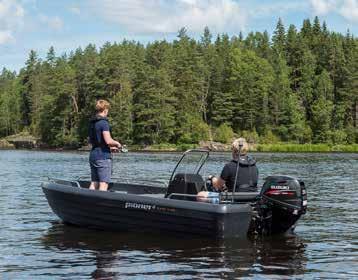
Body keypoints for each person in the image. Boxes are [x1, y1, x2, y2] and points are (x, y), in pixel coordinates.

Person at [88, 99, 121, 191]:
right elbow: (108, 141)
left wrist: (111, 148)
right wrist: (117, 144)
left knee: (94, 183)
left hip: (93, 155)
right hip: (103, 157)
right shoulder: (104, 123)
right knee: (103, 184)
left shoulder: (92, 123)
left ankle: (88, 202)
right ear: (105, 109)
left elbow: (96, 141)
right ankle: (99, 205)